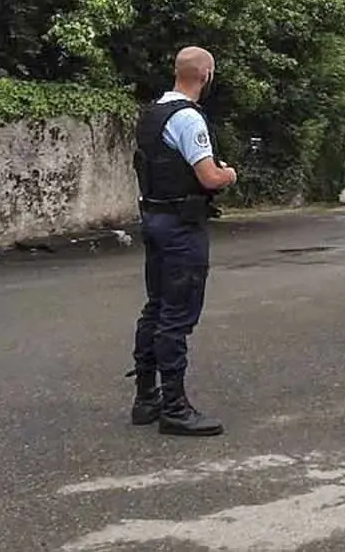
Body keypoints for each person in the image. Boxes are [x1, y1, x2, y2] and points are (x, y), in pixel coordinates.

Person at [127, 46, 238, 437]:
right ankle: (175, 408)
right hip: (181, 226)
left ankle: (146, 398)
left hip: (154, 218)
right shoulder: (188, 118)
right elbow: (208, 176)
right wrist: (229, 174)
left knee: (155, 308)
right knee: (177, 315)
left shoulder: (153, 113)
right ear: (206, 75)